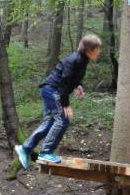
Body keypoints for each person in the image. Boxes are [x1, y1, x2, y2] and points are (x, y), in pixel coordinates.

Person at [15, 34, 102, 168]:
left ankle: (25, 148)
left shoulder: (83, 59)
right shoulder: (75, 59)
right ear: (89, 49)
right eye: (97, 48)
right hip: (52, 90)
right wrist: (65, 105)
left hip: (51, 89)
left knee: (50, 122)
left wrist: (78, 85)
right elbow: (64, 82)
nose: (99, 51)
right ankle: (46, 152)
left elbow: (72, 77)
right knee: (62, 119)